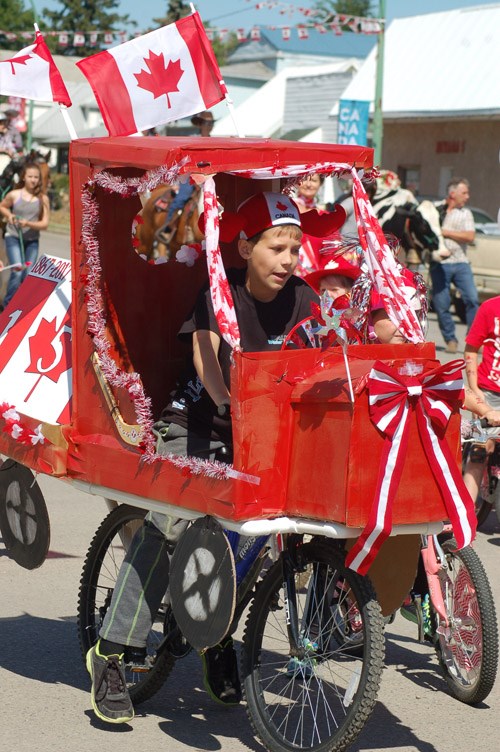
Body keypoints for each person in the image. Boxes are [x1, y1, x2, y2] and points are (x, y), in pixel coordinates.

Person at [85, 191, 343, 725]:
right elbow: (205, 353)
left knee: (271, 531)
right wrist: (230, 402)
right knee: (173, 523)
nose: (290, 259)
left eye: (296, 247)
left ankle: (214, 632)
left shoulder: (305, 299)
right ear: (247, 247)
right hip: (196, 425)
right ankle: (111, 651)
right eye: (277, 247)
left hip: (266, 435)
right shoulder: (220, 293)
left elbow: (320, 360)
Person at [431, 178, 479, 353]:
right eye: (464, 193)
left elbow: (470, 236)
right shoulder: (434, 209)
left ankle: (473, 340)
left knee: (472, 299)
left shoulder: (466, 213)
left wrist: (445, 232)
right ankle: (450, 339)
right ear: (453, 194)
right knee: (442, 303)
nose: (467, 196)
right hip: (439, 264)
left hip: (461, 263)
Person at [156, 111, 215, 243]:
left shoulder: (214, 140)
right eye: (206, 123)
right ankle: (168, 228)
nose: (209, 125)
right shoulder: (193, 139)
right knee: (181, 198)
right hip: (192, 177)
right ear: (200, 124)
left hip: (211, 177)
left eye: (211, 123)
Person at [462, 296, 500, 502]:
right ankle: (465, 517)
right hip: (489, 393)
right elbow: (471, 349)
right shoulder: (491, 307)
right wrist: (475, 388)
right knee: (479, 452)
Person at [0, 162, 49, 307]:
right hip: (14, 237)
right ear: (24, 178)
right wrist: (9, 215)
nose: (33, 180)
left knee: (29, 275)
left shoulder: (43, 199)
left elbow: (45, 224)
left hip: (32, 241)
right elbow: (2, 206)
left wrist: (27, 223)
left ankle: (22, 306)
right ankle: (8, 306)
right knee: (17, 271)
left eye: (36, 177)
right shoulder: (14, 195)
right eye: (30, 176)